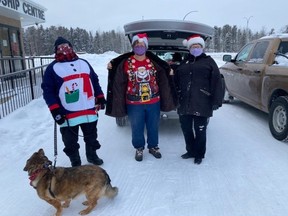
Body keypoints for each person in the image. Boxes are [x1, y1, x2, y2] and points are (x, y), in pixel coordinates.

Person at [106, 33, 177, 162]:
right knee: (136, 126)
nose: (139, 47)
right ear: (133, 47)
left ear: (146, 47)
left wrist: (169, 71)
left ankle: (153, 146)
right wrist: (112, 65)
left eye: (142, 45)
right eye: (137, 45)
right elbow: (119, 76)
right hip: (134, 102)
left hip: (153, 100)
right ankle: (139, 147)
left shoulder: (153, 61)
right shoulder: (126, 62)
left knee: (153, 125)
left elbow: (163, 70)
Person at [41, 36, 106, 167]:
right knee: (70, 140)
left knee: (91, 136)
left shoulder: (84, 63)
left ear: (71, 47)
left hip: (88, 108)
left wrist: (100, 97)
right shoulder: (52, 68)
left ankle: (92, 155)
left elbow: (94, 80)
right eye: (60, 47)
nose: (64, 49)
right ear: (56, 50)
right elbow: (48, 90)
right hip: (67, 112)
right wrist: (54, 110)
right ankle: (75, 161)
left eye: (66, 46)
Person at [174, 34, 223, 165]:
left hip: (202, 102)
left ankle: (199, 154)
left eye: (198, 46)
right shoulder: (184, 63)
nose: (196, 48)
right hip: (184, 103)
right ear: (189, 49)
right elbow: (176, 81)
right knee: (186, 129)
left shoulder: (209, 62)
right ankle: (190, 151)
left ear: (202, 47)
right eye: (193, 46)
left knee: (200, 129)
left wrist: (216, 100)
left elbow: (217, 82)